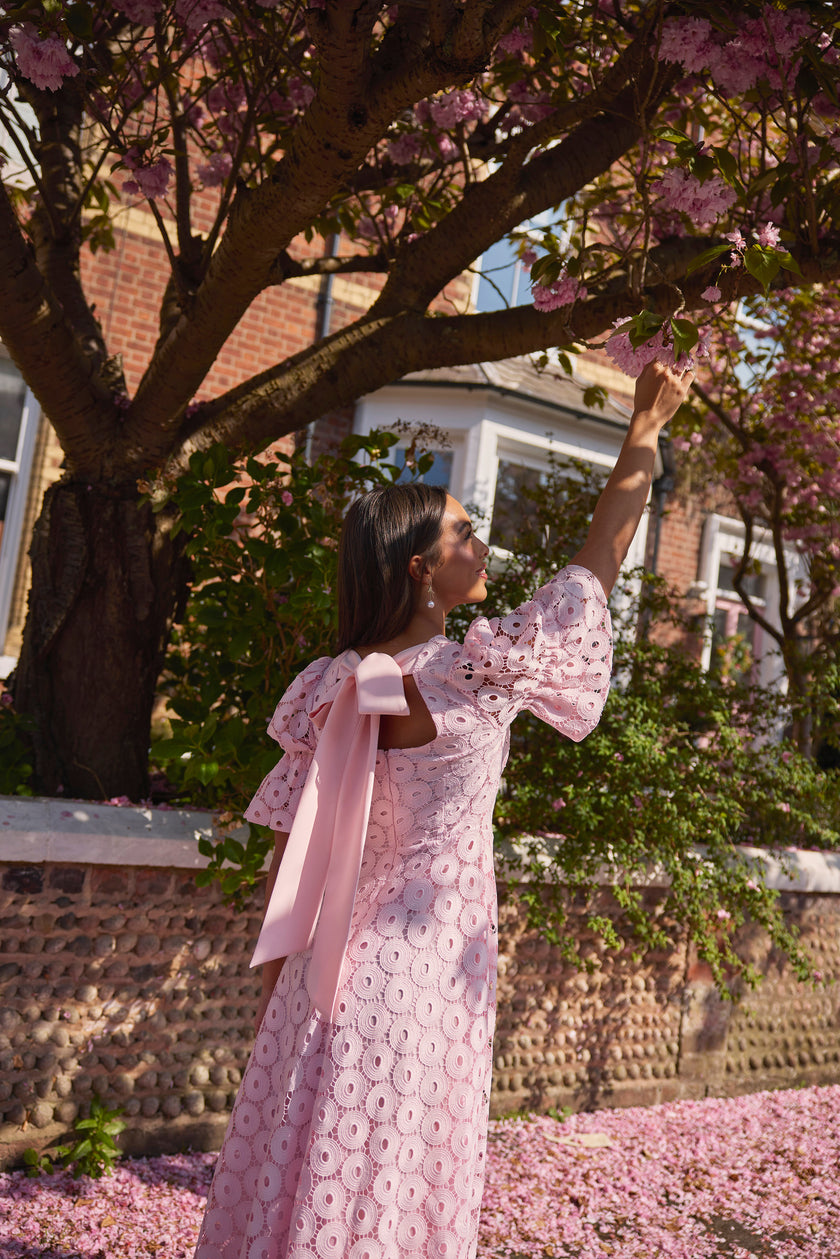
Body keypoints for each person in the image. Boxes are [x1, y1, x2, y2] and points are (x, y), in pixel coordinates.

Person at [194, 360, 693, 1259]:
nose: (482, 539)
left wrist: (283, 1003)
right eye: (465, 531)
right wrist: (644, 429)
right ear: (425, 568)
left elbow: (290, 858)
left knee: (304, 1169)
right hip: (422, 979)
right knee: (389, 1182)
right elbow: (598, 565)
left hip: (321, 971)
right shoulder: (476, 671)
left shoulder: (327, 686)